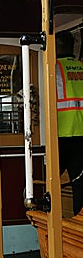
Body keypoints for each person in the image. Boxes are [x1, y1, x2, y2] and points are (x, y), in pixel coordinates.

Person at [56, 30, 83, 215]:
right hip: (81, 137)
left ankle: (47, 228)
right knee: (79, 186)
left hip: (57, 135)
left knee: (45, 183)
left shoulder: (53, 68)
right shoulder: (82, 67)